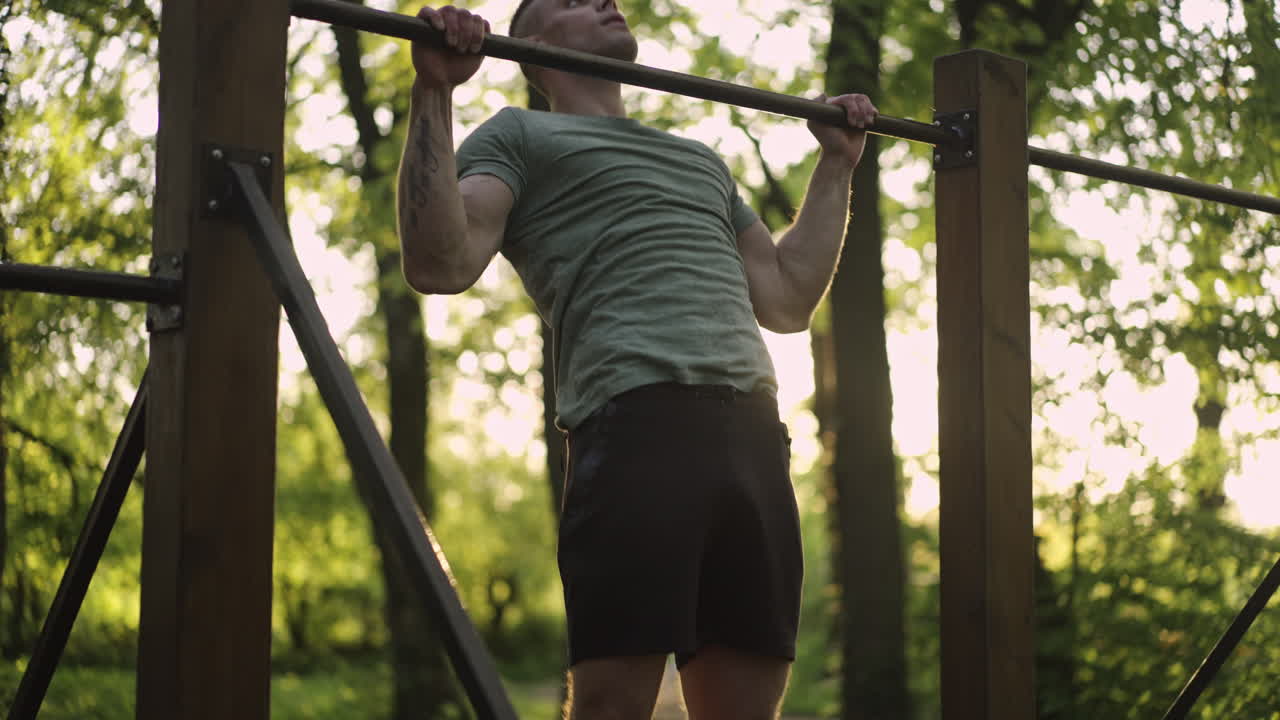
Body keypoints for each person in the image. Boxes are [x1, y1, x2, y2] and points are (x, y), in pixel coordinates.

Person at [398, 1, 876, 717]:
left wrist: (837, 165)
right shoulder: (520, 135)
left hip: (753, 431)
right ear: (529, 45)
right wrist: (434, 89)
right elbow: (439, 260)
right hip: (637, 422)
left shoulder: (700, 161)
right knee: (612, 707)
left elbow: (786, 298)